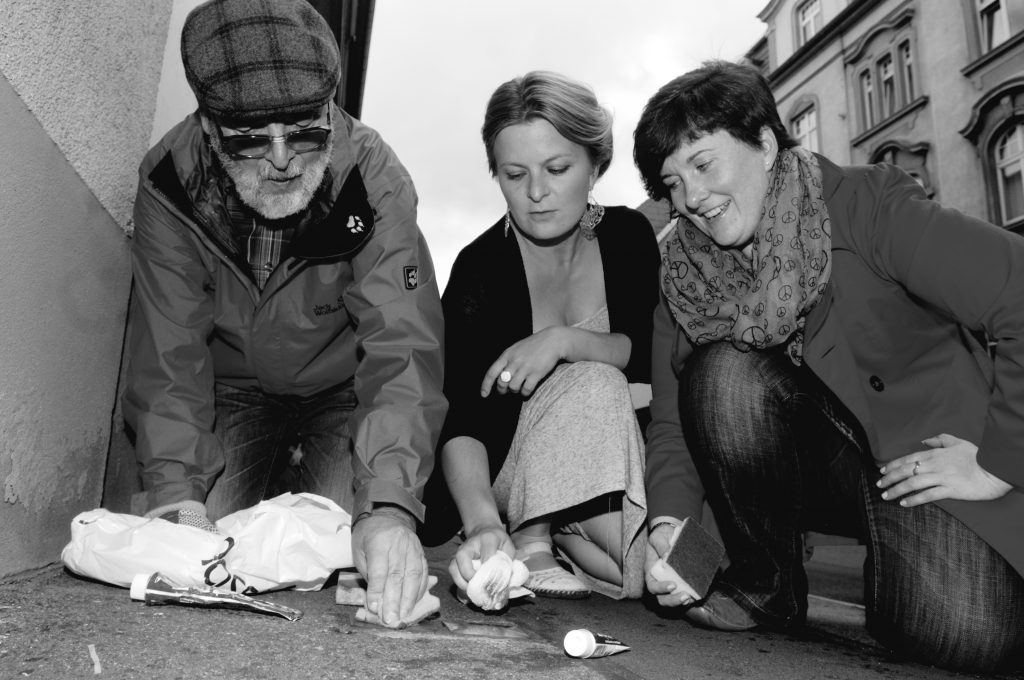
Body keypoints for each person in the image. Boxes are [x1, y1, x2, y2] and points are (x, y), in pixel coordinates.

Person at [633, 60, 1024, 673]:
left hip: (921, 456)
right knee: (723, 373)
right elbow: (670, 423)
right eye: (671, 182)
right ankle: (767, 587)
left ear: (764, 143)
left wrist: (999, 463)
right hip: (814, 469)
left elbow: (1019, 290)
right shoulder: (681, 278)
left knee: (963, 632)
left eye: (703, 164)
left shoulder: (868, 205)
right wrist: (670, 527)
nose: (692, 199)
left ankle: (902, 558)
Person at [122, 0, 446, 628]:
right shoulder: (167, 181)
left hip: (342, 392)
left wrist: (389, 507)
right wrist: (176, 497)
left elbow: (401, 345)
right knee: (198, 552)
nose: (282, 158)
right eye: (248, 138)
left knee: (345, 555)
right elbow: (168, 356)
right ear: (208, 128)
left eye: (306, 130)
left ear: (332, 106)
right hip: (236, 391)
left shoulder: (373, 175)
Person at [420, 71, 660, 601]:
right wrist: (484, 523)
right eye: (513, 174)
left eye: (557, 168)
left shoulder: (629, 238)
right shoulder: (480, 269)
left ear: (596, 165)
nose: (535, 193)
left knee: (643, 575)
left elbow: (649, 355)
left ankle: (564, 526)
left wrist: (562, 340)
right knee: (596, 382)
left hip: (607, 455)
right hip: (507, 465)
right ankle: (530, 537)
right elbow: (458, 416)